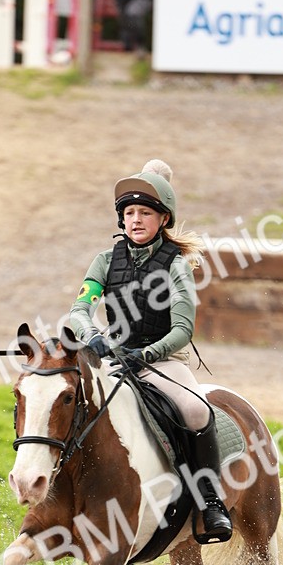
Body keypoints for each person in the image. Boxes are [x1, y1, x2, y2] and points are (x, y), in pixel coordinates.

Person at [68, 158, 233, 543]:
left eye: (145, 213)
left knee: (195, 410)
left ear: (163, 219)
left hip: (164, 361)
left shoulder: (176, 265)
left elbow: (182, 330)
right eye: (129, 213)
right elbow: (79, 310)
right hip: (115, 357)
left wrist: (144, 355)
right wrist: (92, 336)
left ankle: (210, 502)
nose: (136, 220)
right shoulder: (105, 261)